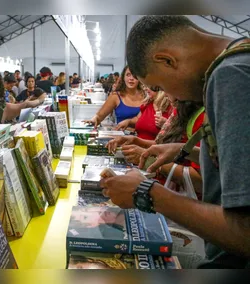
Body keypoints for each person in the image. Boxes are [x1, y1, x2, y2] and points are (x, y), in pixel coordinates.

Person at [101, 15, 250, 268]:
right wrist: (185, 151)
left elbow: (244, 231)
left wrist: (146, 193)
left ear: (166, 60)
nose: (169, 97)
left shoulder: (231, 77)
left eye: (159, 86)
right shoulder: (242, 59)